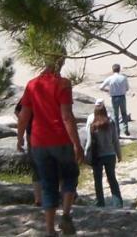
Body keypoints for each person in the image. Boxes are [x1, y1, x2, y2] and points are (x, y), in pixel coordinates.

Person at [17, 55, 86, 236]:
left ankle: (49, 229)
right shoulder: (63, 83)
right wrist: (77, 144)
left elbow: (24, 115)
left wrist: (20, 137)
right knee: (70, 175)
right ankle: (65, 215)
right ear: (61, 61)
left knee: (48, 183)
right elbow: (66, 116)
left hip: (39, 142)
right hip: (60, 139)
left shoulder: (32, 84)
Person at [84, 99, 123, 208]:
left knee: (98, 180)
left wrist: (86, 156)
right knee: (112, 179)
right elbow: (115, 140)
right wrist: (119, 154)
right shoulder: (110, 122)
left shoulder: (92, 125)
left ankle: (100, 202)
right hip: (110, 154)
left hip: (97, 156)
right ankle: (118, 202)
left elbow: (89, 143)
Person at [14, 99, 42, 209]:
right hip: (51, 135)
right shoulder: (53, 91)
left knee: (36, 168)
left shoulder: (30, 93)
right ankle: (53, 198)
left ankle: (38, 199)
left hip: (33, 136)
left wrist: (27, 124)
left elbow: (18, 112)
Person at [100, 63, 131, 135]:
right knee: (124, 113)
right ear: (119, 69)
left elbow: (101, 87)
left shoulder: (110, 78)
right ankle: (125, 128)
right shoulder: (123, 77)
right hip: (122, 97)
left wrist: (108, 90)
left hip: (114, 97)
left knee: (115, 115)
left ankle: (117, 131)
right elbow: (127, 88)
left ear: (113, 70)